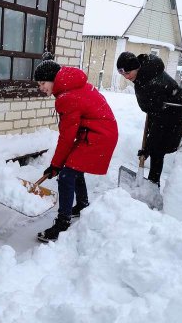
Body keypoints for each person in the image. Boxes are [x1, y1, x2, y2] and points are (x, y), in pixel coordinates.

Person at [34, 52, 119, 242]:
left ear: (51, 80)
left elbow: (66, 137)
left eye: (42, 83)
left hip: (99, 136)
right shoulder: (72, 86)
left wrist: (56, 165)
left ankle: (62, 223)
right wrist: (58, 162)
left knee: (66, 174)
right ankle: (81, 204)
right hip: (99, 132)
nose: (40, 88)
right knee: (74, 167)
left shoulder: (67, 97)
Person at [116, 51, 182, 185]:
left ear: (136, 67)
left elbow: (159, 121)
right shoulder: (145, 73)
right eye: (122, 74)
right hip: (161, 111)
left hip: (172, 116)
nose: (125, 77)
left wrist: (148, 146)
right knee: (155, 148)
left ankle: (153, 184)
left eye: (127, 73)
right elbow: (153, 112)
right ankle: (153, 183)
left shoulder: (152, 83)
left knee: (157, 149)